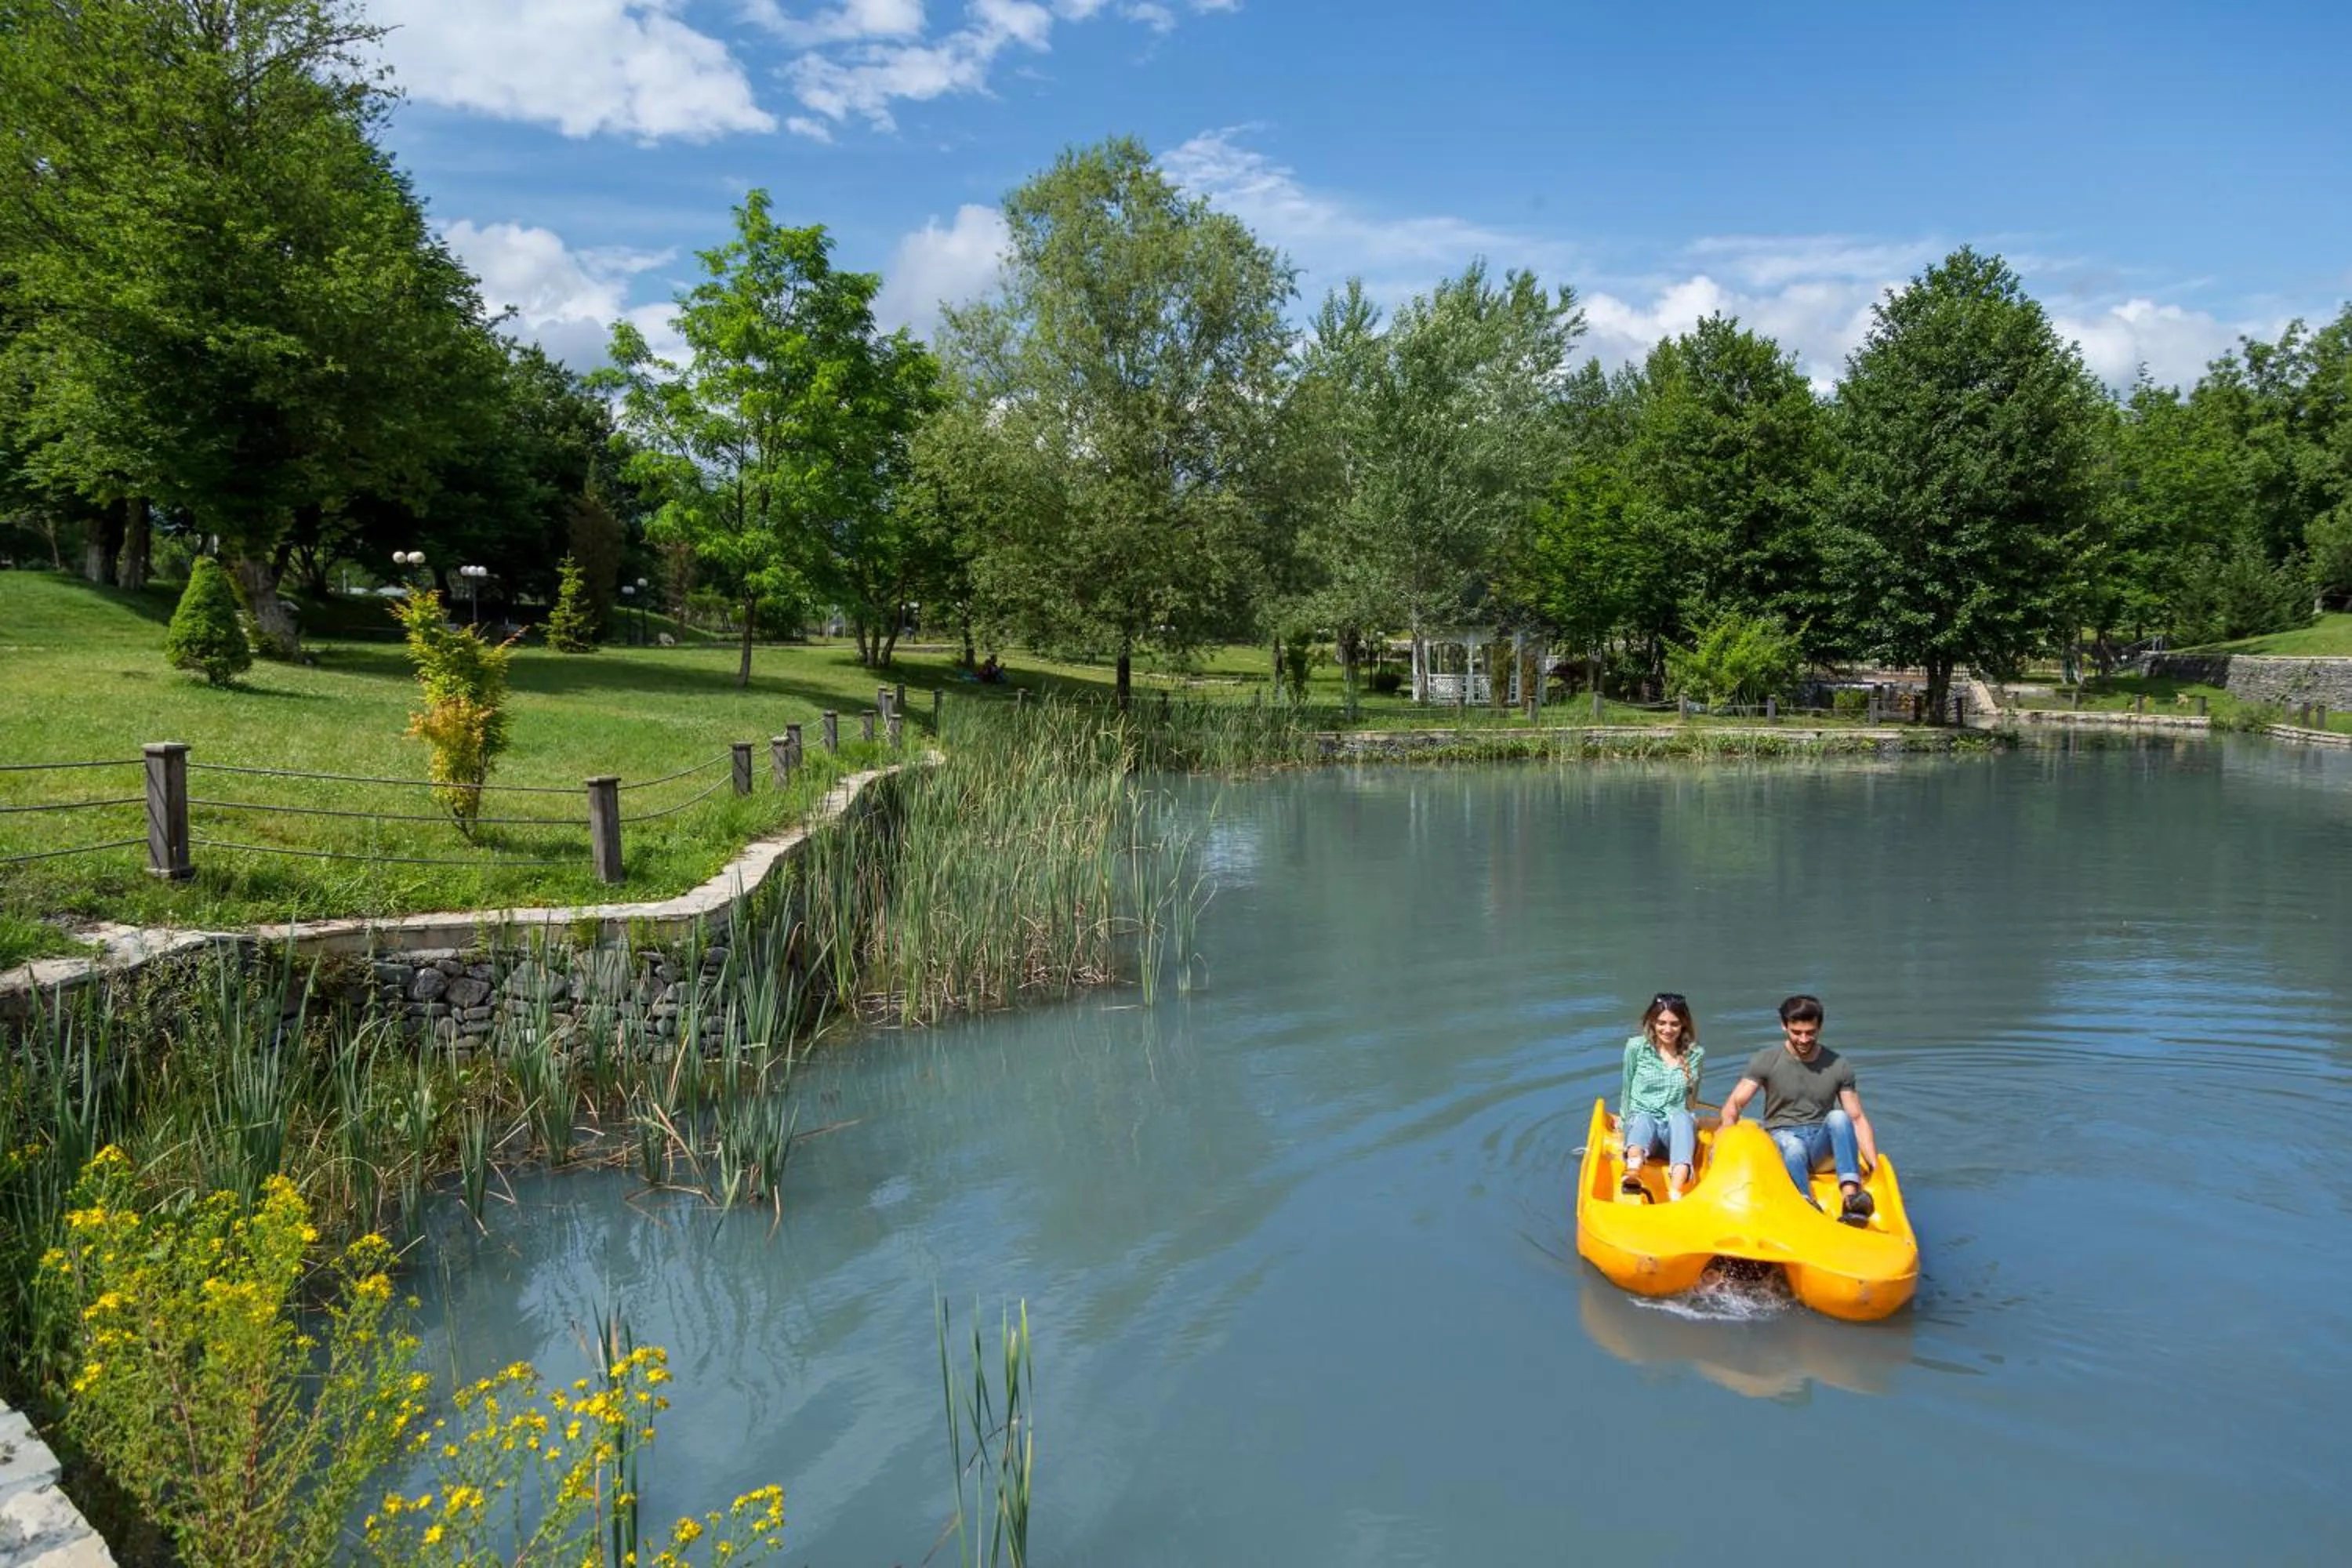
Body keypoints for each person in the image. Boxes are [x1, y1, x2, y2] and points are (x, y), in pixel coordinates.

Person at [1717, 994, 1879, 1225]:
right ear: (1784, 1026)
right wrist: (1725, 1136)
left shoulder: (1839, 1065)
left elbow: (1857, 1118)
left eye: (1810, 1033)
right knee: (1792, 1147)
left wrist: (1874, 1165)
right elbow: (1734, 1105)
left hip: (1820, 1146)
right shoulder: (1766, 1060)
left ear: (1819, 1028)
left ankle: (1851, 1199)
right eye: (1797, 1032)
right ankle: (1805, 1201)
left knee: (1838, 1117)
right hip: (1783, 1137)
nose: (1804, 1039)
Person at [1614, 992, 1704, 1202]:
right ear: (1652, 1022)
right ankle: (1633, 1171)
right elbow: (1627, 1089)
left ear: (1683, 1024)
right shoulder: (1637, 1047)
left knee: (1682, 1117)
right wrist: (1624, 1122)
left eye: (1674, 1024)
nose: (1667, 1030)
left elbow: (1691, 1100)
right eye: (1662, 1023)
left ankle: (1676, 1192)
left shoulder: (1695, 1054)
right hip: (1644, 1123)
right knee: (1643, 1118)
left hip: (1673, 1128)